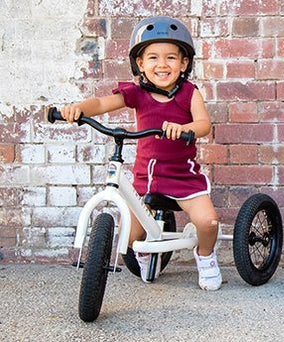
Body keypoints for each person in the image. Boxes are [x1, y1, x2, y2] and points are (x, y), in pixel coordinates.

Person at [60, 16, 221, 290]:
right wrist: (79, 108)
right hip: (146, 178)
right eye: (153, 58)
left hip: (183, 177)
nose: (162, 64)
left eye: (171, 57)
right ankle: (145, 252)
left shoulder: (189, 93)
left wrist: (183, 128)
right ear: (140, 64)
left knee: (208, 222)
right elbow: (101, 102)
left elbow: (204, 124)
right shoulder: (136, 93)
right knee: (133, 237)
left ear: (184, 63)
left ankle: (205, 257)